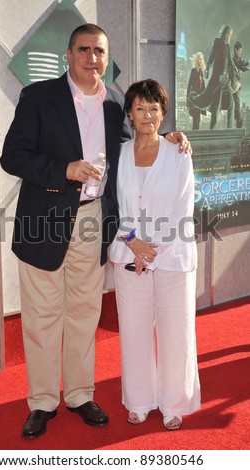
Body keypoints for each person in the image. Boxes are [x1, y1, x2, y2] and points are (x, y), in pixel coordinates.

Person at [0, 23, 191, 439]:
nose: (92, 58)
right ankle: (43, 401)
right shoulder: (38, 98)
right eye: (83, 49)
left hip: (93, 221)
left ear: (107, 58)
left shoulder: (113, 107)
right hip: (43, 221)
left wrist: (171, 139)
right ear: (68, 55)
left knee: (85, 313)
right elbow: (12, 156)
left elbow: (136, 149)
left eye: (99, 51)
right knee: (42, 317)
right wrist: (63, 171)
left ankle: (80, 394)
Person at [110, 79, 200, 430]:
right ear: (130, 114)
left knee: (176, 331)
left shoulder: (178, 153)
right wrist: (133, 241)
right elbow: (110, 204)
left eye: (154, 108)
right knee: (133, 332)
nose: (147, 115)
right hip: (128, 254)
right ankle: (139, 400)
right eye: (140, 108)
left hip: (173, 257)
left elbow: (183, 209)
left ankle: (174, 402)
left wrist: (153, 252)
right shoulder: (117, 155)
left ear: (163, 113)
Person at [189, 25, 235, 129]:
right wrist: (208, 67)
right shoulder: (217, 42)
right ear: (226, 34)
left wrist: (234, 71)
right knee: (216, 105)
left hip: (226, 80)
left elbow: (230, 62)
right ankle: (212, 128)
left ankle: (230, 129)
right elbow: (211, 55)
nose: (230, 37)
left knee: (231, 104)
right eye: (229, 34)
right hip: (218, 78)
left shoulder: (228, 46)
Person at [232, 40, 250, 128]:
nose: (240, 52)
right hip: (232, 87)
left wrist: (244, 68)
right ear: (236, 49)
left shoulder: (239, 59)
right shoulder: (232, 59)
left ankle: (238, 124)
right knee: (236, 105)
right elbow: (239, 67)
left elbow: (247, 64)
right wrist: (242, 69)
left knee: (236, 105)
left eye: (241, 51)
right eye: (239, 51)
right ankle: (238, 125)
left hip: (237, 87)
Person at [186, 52, 206, 129]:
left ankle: (196, 135)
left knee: (198, 118)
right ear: (196, 60)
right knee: (196, 117)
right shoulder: (194, 70)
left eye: (201, 59)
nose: (200, 60)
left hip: (200, 98)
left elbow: (203, 86)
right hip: (194, 98)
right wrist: (188, 98)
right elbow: (189, 85)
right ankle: (195, 135)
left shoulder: (202, 72)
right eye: (198, 59)